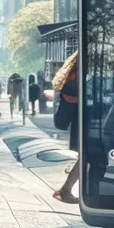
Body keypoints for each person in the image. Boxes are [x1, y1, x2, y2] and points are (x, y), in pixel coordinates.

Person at [48, 53, 83, 203]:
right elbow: (73, 98)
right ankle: (66, 190)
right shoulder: (74, 80)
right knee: (88, 158)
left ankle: (67, 190)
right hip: (81, 124)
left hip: (79, 124)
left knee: (88, 158)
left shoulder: (72, 77)